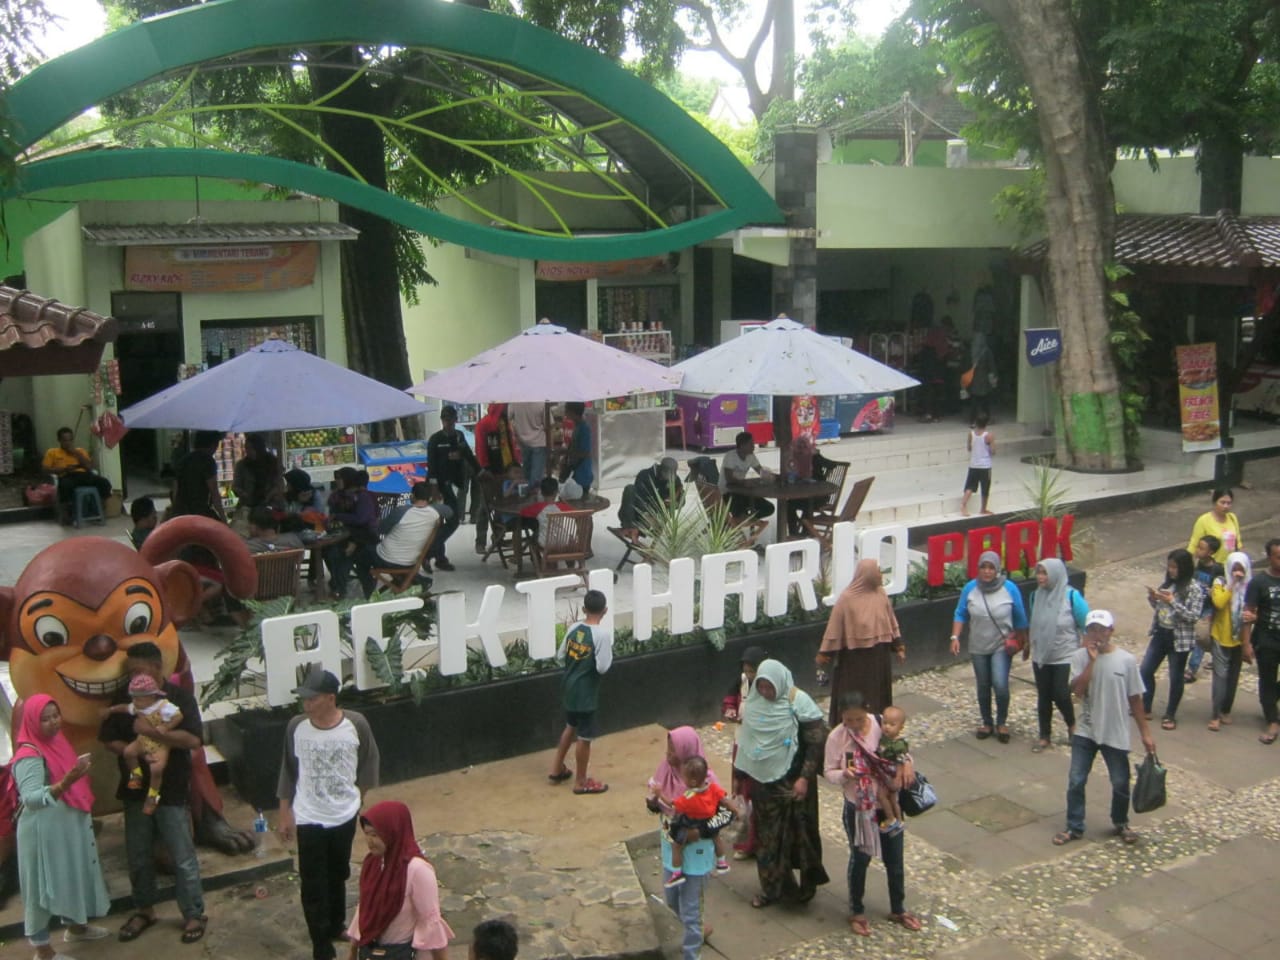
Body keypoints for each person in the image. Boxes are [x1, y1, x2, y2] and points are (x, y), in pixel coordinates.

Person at [100, 642, 208, 944]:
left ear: (157, 668)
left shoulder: (179, 700)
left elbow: (193, 741)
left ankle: (193, 913)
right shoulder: (125, 697)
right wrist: (132, 752)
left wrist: (153, 734)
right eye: (129, 672)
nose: (132, 677)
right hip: (134, 791)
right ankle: (144, 909)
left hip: (171, 789)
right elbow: (109, 740)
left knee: (182, 854)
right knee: (138, 853)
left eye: (137, 670)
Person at [277, 666, 381, 960]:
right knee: (312, 881)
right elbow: (287, 769)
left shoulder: (356, 724)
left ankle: (335, 923)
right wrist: (285, 812)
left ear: (331, 698)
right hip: (309, 815)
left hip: (344, 814)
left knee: (338, 871)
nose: (306, 705)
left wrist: (357, 798)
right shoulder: (296, 727)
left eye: (313, 699)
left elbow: (369, 762)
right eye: (305, 699)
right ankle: (319, 942)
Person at [13, 694, 111, 959]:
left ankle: (77, 926)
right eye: (45, 719)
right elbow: (31, 799)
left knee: (71, 876)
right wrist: (67, 781)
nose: (53, 723)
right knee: (42, 887)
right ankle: (43, 950)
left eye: (56, 716)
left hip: (65, 827)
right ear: (32, 722)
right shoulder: (29, 755)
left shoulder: (56, 743)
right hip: (43, 833)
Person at [1054, 610, 1156, 846]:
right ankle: (1074, 825)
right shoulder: (1080, 657)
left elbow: (1135, 699)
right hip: (1087, 729)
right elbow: (1077, 692)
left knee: (1120, 782)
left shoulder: (1126, 661)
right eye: (1092, 630)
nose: (1097, 635)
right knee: (1076, 779)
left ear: (1111, 631)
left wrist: (1145, 734)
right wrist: (1091, 661)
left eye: (1102, 630)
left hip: (1115, 730)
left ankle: (1121, 822)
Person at [824, 691, 922, 937]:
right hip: (858, 807)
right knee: (860, 859)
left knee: (895, 859)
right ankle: (856, 910)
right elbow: (828, 771)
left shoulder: (882, 724)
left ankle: (898, 908)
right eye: (848, 720)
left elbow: (900, 749)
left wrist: (907, 762)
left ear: (866, 712)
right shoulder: (837, 737)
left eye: (858, 719)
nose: (854, 725)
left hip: (887, 802)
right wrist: (845, 774)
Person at [735, 659, 829, 908]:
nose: (765, 693)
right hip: (764, 784)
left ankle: (806, 889)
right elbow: (747, 744)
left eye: (769, 688)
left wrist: (803, 779)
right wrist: (740, 777)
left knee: (803, 835)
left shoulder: (799, 703)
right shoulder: (754, 704)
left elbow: (815, 744)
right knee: (769, 839)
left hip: (796, 784)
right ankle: (773, 888)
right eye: (762, 687)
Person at [345, 801, 453, 960]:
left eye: (375, 835)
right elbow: (365, 909)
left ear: (392, 832)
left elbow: (431, 920)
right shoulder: (372, 864)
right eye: (367, 834)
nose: (370, 841)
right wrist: (353, 951)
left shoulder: (418, 870)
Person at [646, 727, 718, 960]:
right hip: (671, 850)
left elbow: (723, 816)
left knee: (690, 910)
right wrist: (654, 800)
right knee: (672, 901)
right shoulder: (665, 770)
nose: (668, 754)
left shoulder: (708, 782)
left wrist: (700, 831)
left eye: (673, 749)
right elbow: (657, 805)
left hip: (696, 857)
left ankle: (691, 954)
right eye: (668, 748)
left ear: (686, 750)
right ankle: (698, 928)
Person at [951, 550, 1028, 743]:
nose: (987, 572)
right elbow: (960, 613)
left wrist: (1024, 641)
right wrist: (955, 637)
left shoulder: (1009, 588)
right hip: (978, 645)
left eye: (991, 567)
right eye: (983, 567)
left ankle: (1002, 722)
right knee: (983, 685)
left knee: (1000, 684)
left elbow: (1020, 617)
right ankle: (987, 721)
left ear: (997, 569)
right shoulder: (970, 588)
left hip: (1001, 645)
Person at [818, 558, 904, 727]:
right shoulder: (847, 599)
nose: (880, 575)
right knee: (854, 697)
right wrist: (825, 654)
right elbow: (834, 629)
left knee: (877, 695)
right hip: (855, 660)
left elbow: (890, 621)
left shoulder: (880, 594)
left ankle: (877, 729)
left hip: (879, 658)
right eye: (877, 571)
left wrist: (898, 645)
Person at [548, 589, 612, 795]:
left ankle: (556, 768)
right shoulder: (601, 635)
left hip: (569, 687)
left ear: (584, 609)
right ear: (605, 611)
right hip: (586, 695)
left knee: (570, 726)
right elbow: (602, 667)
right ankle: (581, 781)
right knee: (585, 737)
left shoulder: (574, 628)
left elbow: (560, 655)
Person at [1140, 548, 1206, 730]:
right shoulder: (1167, 584)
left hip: (1179, 638)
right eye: (1169, 567)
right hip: (1161, 632)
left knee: (1176, 676)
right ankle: (1146, 705)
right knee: (1145, 670)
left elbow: (1193, 616)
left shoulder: (1194, 589)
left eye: (1174, 567)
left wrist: (1172, 602)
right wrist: (1154, 598)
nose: (1171, 571)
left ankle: (1170, 714)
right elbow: (1160, 609)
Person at [1028, 558, 1089, 752]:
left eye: (1044, 573)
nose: (1040, 577)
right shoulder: (1035, 596)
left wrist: (1086, 650)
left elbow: (1086, 624)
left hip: (1065, 653)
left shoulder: (1071, 597)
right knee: (1044, 695)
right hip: (1042, 654)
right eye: (1038, 572)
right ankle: (1044, 735)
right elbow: (1035, 623)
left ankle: (1072, 725)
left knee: (1061, 693)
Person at [102, 674, 185, 815]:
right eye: (133, 698)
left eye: (138, 698)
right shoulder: (137, 706)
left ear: (151, 696)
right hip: (142, 740)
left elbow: (178, 716)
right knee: (128, 752)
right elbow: (124, 708)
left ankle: (152, 796)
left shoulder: (163, 706)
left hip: (160, 744)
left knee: (156, 770)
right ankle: (136, 774)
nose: (134, 701)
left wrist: (166, 727)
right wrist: (110, 710)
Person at [660, 755, 737, 887]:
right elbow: (725, 800)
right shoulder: (713, 787)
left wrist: (659, 794)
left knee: (676, 845)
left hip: (694, 823)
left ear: (693, 782)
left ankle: (677, 873)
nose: (683, 779)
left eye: (685, 777)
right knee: (716, 837)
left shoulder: (690, 796)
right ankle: (722, 862)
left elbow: (673, 805)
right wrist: (736, 811)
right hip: (711, 822)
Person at [355, 481, 442, 597]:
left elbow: (380, 530)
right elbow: (448, 511)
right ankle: (407, 581)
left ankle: (369, 593)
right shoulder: (435, 515)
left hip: (387, 558)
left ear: (412, 496)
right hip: (411, 560)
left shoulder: (402, 511)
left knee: (360, 556)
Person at [427, 406, 481, 557]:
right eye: (445, 419)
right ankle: (432, 552)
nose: (448, 423)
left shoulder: (459, 436)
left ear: (455, 420)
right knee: (450, 520)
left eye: (451, 419)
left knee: (450, 520)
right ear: (442, 420)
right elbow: (431, 464)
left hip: (455, 481)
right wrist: (433, 487)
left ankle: (438, 555)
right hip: (439, 485)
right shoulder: (435, 439)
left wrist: (480, 471)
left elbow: (469, 455)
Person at [1241, 538, 1280, 745]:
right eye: (1278, 557)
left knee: (1273, 686)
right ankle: (1272, 720)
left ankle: (1271, 703)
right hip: (1267, 640)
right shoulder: (1259, 583)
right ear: (1269, 557)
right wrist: (1246, 644)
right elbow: (1248, 614)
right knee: (1267, 680)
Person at [1208, 551, 1251, 731]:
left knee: (1233, 678)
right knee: (1220, 677)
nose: (1238, 572)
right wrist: (1232, 584)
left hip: (1239, 639)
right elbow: (1218, 602)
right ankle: (1216, 714)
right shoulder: (1220, 582)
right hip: (1221, 636)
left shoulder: (1250, 586)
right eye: (1235, 568)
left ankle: (1226, 710)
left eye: (1241, 569)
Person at [325, 467, 379, 599]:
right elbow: (330, 514)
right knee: (330, 552)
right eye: (336, 478)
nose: (337, 481)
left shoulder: (363, 496)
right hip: (347, 536)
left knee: (342, 556)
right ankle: (338, 586)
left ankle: (343, 590)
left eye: (340, 478)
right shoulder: (339, 496)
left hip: (365, 537)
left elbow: (361, 520)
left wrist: (339, 516)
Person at [42, 426, 113, 517]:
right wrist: (64, 469)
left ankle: (99, 510)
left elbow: (89, 467)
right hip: (66, 476)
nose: (68, 443)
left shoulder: (80, 451)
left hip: (83, 475)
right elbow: (45, 469)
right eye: (65, 440)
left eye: (70, 440)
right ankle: (68, 514)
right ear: (59, 440)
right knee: (64, 486)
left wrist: (76, 453)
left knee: (104, 482)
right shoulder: (52, 452)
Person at [1184, 534, 1224, 683]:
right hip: (1194, 605)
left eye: (1201, 548)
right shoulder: (1195, 565)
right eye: (1198, 547)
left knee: (1200, 637)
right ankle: (1217, 656)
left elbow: (1221, 591)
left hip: (1208, 607)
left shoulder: (1217, 569)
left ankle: (1191, 669)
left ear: (1211, 552)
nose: (1197, 550)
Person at [170, 430, 227, 522]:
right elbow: (214, 492)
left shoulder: (183, 461)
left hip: (181, 512)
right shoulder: (208, 461)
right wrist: (223, 519)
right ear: (213, 445)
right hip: (199, 512)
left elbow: (175, 491)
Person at [231, 432, 284, 529]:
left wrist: (269, 497)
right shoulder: (242, 465)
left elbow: (279, 484)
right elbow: (235, 486)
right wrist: (243, 493)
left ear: (259, 448)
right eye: (246, 448)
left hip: (270, 507)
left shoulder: (272, 462)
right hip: (249, 507)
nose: (247, 451)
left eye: (250, 448)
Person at [718, 431, 774, 521]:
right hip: (727, 494)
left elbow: (761, 471)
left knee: (769, 508)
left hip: (742, 492)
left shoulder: (751, 456)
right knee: (739, 506)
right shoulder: (730, 456)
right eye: (750, 444)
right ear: (742, 445)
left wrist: (774, 477)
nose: (753, 446)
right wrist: (744, 483)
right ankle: (742, 520)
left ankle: (747, 520)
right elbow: (729, 479)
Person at [873, 706, 911, 835]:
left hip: (891, 774)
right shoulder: (884, 739)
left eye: (892, 724)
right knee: (893, 799)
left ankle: (891, 818)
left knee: (882, 796)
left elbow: (901, 762)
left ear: (900, 727)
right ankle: (899, 821)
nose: (887, 727)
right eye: (885, 723)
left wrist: (897, 777)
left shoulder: (898, 744)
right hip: (886, 773)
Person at [1187, 488, 1241, 564]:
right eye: (1222, 502)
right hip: (1212, 566)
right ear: (1215, 502)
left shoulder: (1232, 518)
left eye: (1229, 503)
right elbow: (1194, 545)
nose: (1226, 506)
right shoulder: (1204, 520)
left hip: (1229, 565)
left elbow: (1237, 543)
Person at [519, 476, 570, 547]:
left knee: (532, 539)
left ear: (541, 493)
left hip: (545, 542)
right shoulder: (561, 507)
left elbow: (521, 512)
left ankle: (536, 557)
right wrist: (564, 502)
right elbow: (576, 512)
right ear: (556, 492)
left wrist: (531, 500)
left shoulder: (537, 507)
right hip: (562, 541)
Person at [960, 416, 995, 516]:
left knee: (970, 486)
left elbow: (969, 448)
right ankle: (983, 509)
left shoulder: (971, 434)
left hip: (974, 464)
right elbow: (993, 451)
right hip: (985, 465)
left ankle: (963, 505)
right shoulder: (989, 435)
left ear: (976, 423)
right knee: (985, 488)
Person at [509, 401, 548, 486]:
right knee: (536, 477)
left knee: (527, 474)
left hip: (524, 443)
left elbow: (508, 417)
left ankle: (527, 494)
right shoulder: (541, 403)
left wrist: (516, 430)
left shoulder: (515, 402)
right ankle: (533, 495)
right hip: (539, 443)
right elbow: (549, 425)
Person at [562, 402, 593, 495]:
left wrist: (565, 452)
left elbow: (585, 453)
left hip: (582, 474)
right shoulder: (577, 427)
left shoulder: (584, 429)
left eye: (566, 411)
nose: (565, 413)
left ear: (573, 413)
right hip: (576, 474)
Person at [967, 330, 996, 425]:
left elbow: (966, 364)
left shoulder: (971, 350)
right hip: (983, 378)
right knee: (985, 400)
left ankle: (972, 419)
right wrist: (993, 378)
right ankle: (985, 419)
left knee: (974, 400)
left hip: (973, 378)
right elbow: (991, 366)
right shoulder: (986, 351)